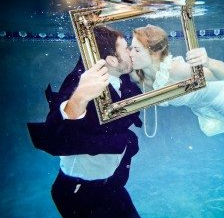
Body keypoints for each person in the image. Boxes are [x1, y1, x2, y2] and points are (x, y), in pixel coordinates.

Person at [27, 26, 143, 218]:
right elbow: (54, 138)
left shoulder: (120, 77)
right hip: (79, 193)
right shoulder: (80, 83)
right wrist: (79, 98)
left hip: (110, 186)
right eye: (126, 48)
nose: (131, 53)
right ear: (112, 60)